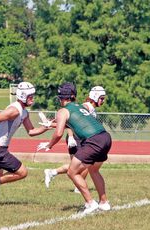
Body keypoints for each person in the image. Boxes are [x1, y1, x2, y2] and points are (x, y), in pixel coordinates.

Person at [0, 82, 51, 206]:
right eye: (30, 96)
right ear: (22, 95)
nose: (33, 98)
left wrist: (46, 127)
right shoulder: (14, 110)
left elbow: (31, 131)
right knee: (22, 172)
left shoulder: (24, 112)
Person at [37, 83, 112, 214]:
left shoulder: (63, 111)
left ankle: (90, 203)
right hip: (105, 137)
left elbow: (59, 133)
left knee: (72, 172)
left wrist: (49, 145)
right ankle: (104, 202)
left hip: (93, 141)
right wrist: (52, 123)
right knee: (94, 170)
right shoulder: (79, 106)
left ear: (60, 97)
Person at [43, 86, 106, 190]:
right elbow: (71, 121)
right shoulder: (86, 107)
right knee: (85, 164)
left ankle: (52, 172)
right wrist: (71, 136)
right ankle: (78, 187)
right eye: (101, 98)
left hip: (81, 139)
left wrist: (50, 124)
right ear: (95, 96)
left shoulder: (91, 109)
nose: (103, 101)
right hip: (77, 139)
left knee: (79, 165)